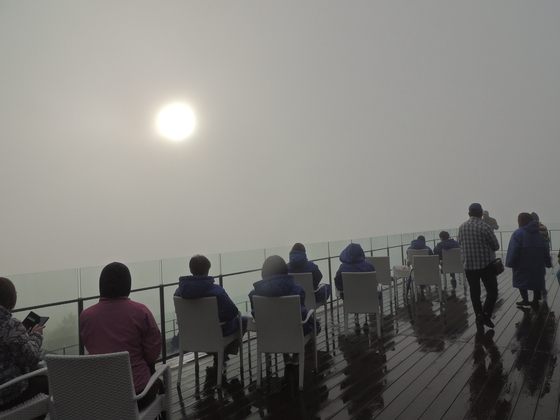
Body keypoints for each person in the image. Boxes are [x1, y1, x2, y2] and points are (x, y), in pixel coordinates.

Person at [79, 262, 162, 409]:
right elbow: (153, 353)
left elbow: (92, 347)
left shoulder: (86, 316)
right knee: (158, 382)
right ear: (127, 284)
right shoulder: (140, 312)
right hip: (137, 395)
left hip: (98, 394)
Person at [248, 255, 315, 365]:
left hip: (270, 334)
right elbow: (301, 312)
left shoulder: (254, 294)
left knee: (278, 321)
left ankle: (286, 356)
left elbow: (256, 315)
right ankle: (296, 355)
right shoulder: (297, 289)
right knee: (303, 319)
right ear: (285, 270)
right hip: (294, 332)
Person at [174, 254, 247, 349]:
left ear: (191, 270)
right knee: (243, 320)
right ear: (207, 270)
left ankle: (219, 354)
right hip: (215, 333)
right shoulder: (216, 291)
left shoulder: (179, 292)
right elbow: (232, 311)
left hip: (192, 334)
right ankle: (224, 351)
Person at [0, 277, 48, 416]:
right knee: (47, 383)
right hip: (8, 393)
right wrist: (36, 335)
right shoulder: (10, 324)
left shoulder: (11, 327)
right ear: (10, 298)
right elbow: (30, 359)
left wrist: (21, 337)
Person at [458, 203, 500, 329]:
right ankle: (484, 313)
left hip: (469, 265)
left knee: (474, 292)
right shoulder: (484, 226)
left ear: (469, 214)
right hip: (486, 265)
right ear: (481, 213)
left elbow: (460, 243)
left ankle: (478, 316)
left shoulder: (462, 227)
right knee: (492, 291)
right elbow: (496, 246)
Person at [505, 213, 552, 308]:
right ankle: (535, 300)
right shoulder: (538, 234)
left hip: (522, 263)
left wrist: (510, 262)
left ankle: (525, 300)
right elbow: (545, 248)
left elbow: (513, 249)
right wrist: (548, 261)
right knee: (537, 280)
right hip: (537, 263)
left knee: (522, 280)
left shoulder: (518, 233)